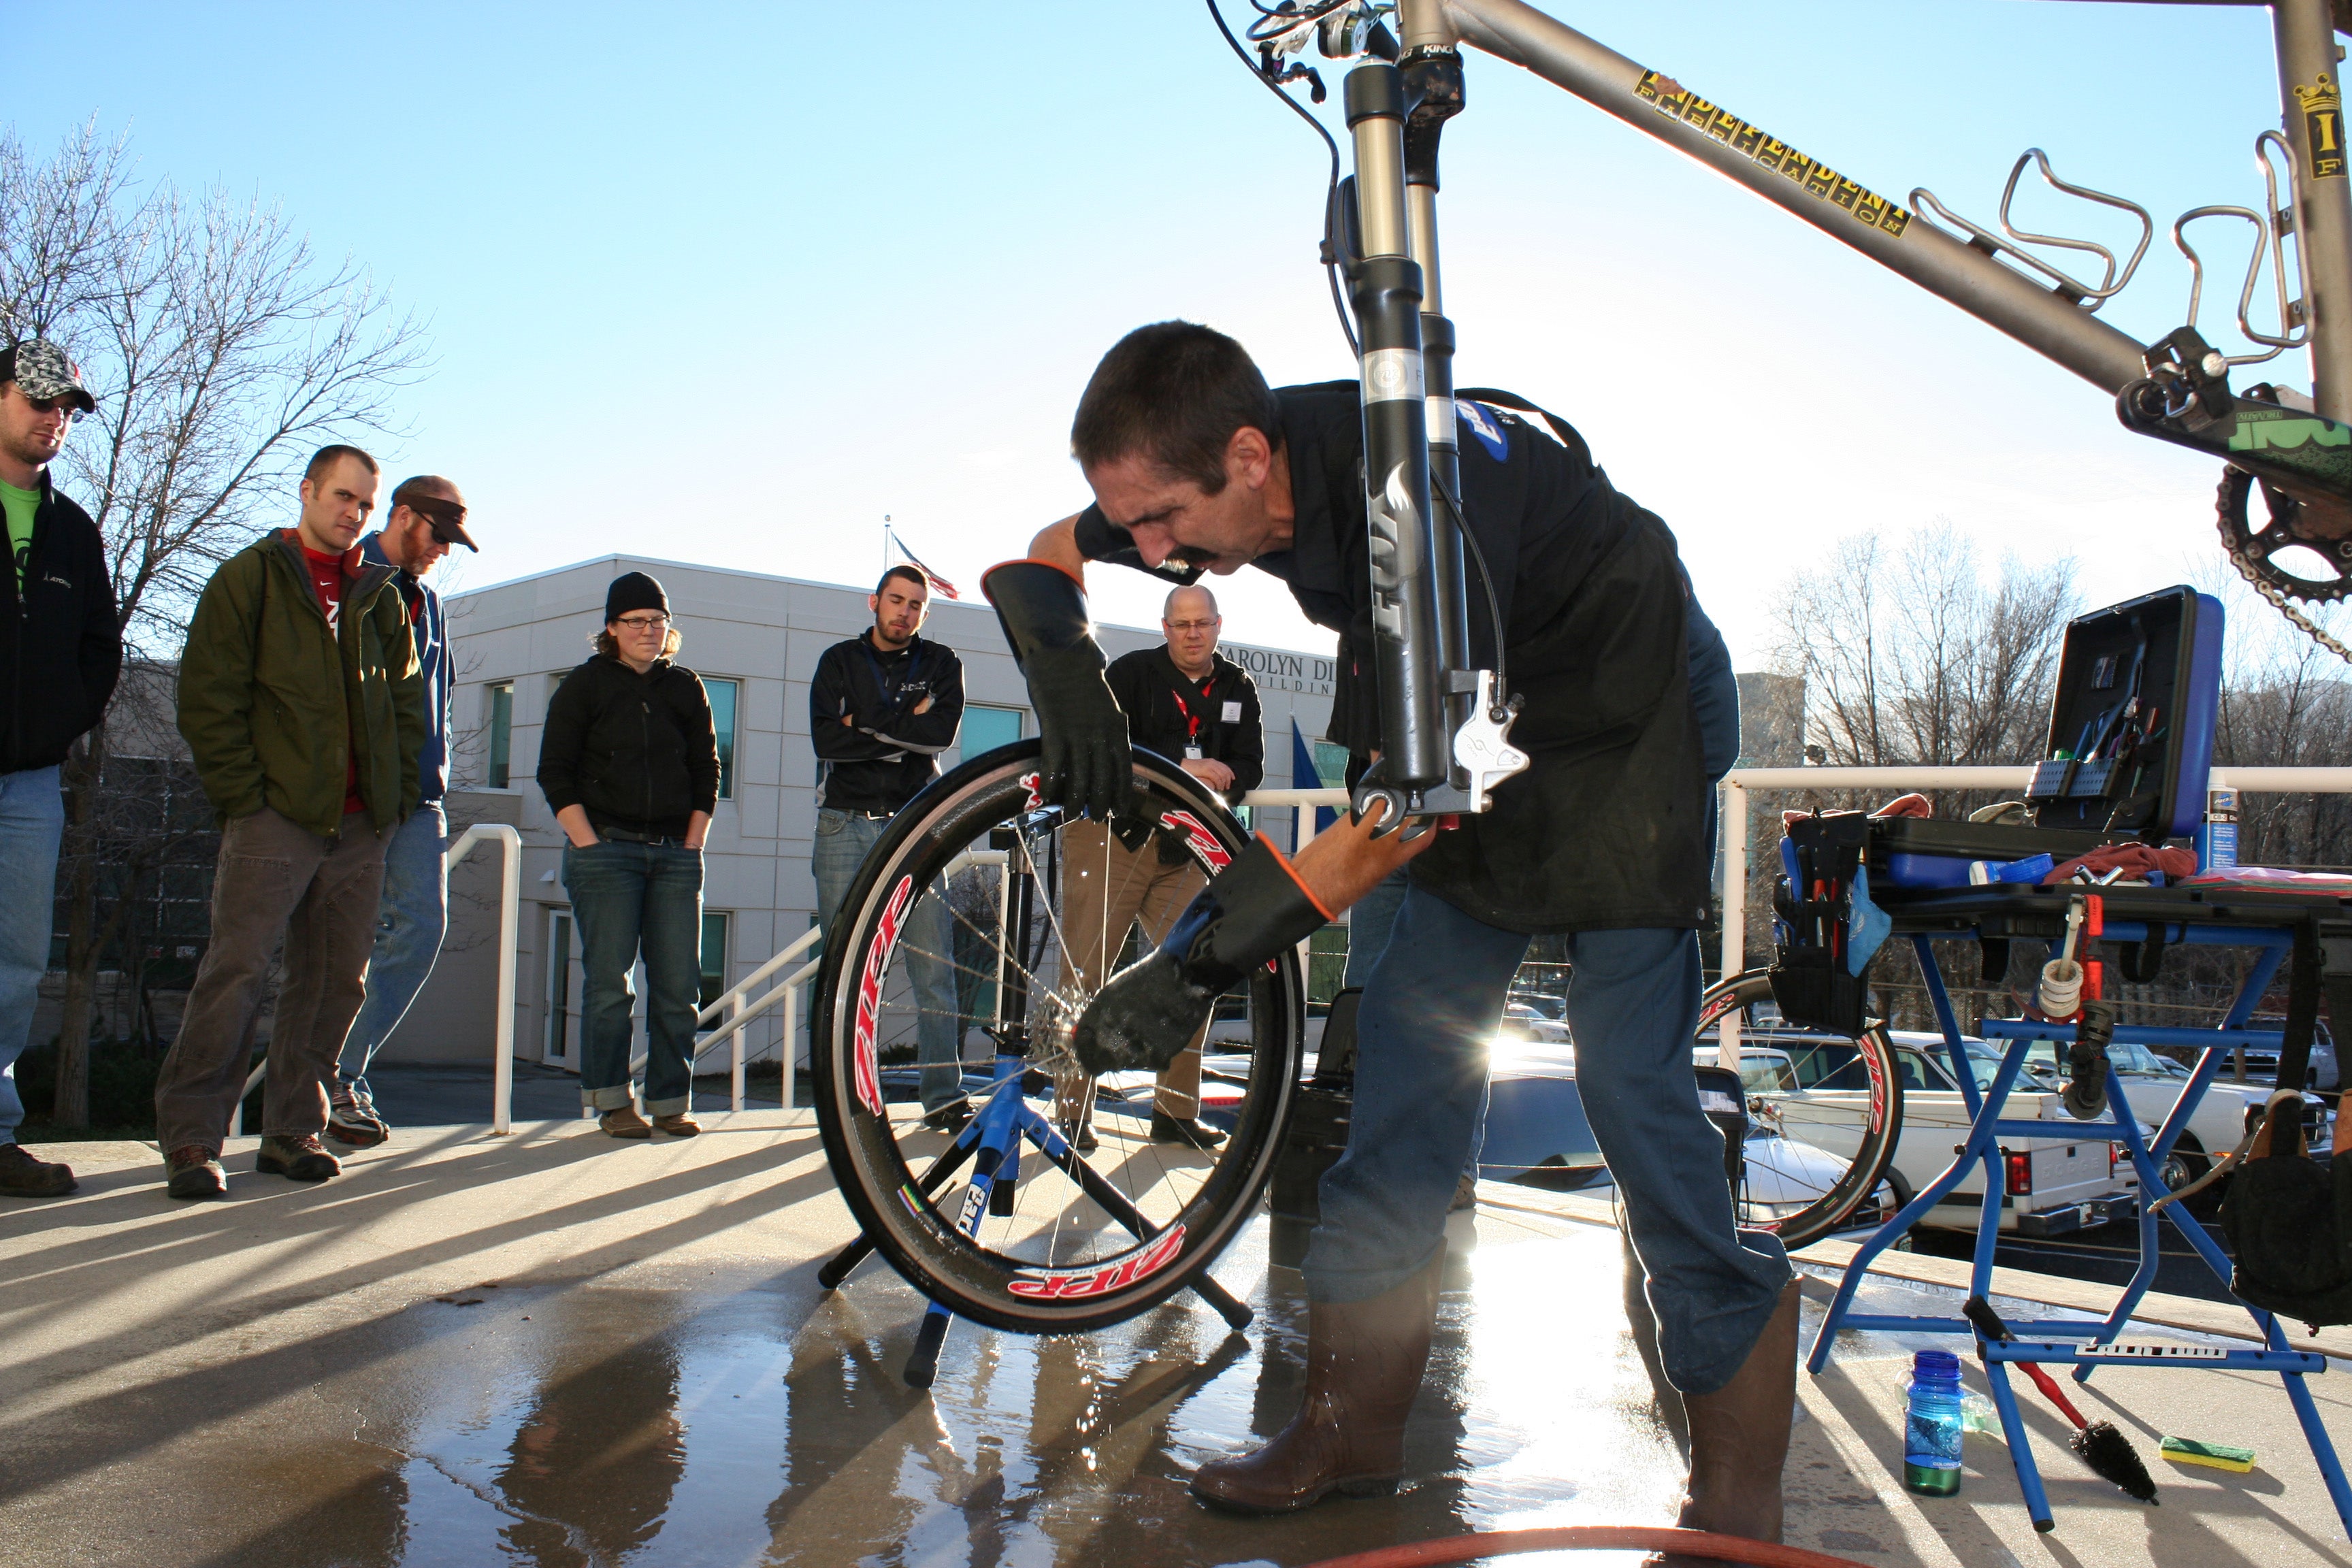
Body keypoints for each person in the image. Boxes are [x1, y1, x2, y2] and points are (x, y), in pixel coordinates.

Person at [983, 322, 1786, 1558]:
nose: (1152, 556)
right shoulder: (1213, 471)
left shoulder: (1422, 521)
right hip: (1471, 711)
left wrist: (1199, 958)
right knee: (1407, 1068)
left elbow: (1404, 819)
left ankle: (1734, 1471)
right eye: (1132, 527)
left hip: (1634, 710)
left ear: (1249, 459)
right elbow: (1049, 547)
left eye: (1162, 522)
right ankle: (1346, 1431)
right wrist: (1064, 657)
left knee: (1628, 1080)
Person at [157, 444, 423, 1198]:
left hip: (359, 824)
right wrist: (247, 794)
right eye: (342, 496)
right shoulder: (251, 578)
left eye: (365, 505)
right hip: (274, 816)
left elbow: (406, 706)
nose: (352, 513)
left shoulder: (378, 593)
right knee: (235, 974)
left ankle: (290, 1133)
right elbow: (209, 696)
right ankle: (191, 1139)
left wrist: (391, 799)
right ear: (307, 492)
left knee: (334, 982)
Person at [1057, 582, 1261, 1152]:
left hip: (1185, 848)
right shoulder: (1129, 675)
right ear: (1165, 627)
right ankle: (1071, 1114)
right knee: (1084, 971)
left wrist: (1225, 774)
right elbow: (1108, 748)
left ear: (1218, 625)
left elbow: (1249, 767)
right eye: (1182, 624)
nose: (1193, 634)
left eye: (1203, 624)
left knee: (1194, 974)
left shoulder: (1238, 686)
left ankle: (1175, 1113)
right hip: (1113, 836)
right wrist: (1186, 769)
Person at [537, 572, 719, 1139]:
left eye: (658, 622)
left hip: (674, 857)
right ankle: (613, 1102)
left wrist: (693, 843)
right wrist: (587, 842)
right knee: (611, 985)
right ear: (611, 629)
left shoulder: (685, 687)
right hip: (605, 853)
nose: (648, 631)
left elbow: (707, 771)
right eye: (636, 622)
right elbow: (555, 774)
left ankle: (671, 1101)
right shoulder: (583, 687)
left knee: (678, 986)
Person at [0, 341, 118, 1198]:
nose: (55, 419)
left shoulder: (75, 531)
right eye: (40, 400)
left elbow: (100, 650)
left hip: (33, 784)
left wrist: (57, 724)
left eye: (69, 408)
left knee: (13, 962)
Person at [326, 476, 477, 1146]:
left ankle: (341, 1071)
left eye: (451, 541)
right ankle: (314, 1084)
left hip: (419, 802)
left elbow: (437, 700)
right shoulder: (350, 578)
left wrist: (436, 774)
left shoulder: (431, 604)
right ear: (404, 516)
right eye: (437, 535)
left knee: (419, 929)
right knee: (333, 943)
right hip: (350, 797)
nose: (442, 550)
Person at [808, 564, 968, 1128]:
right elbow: (828, 739)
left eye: (916, 605)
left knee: (933, 971)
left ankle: (944, 1098)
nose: (904, 612)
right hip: (844, 826)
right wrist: (905, 722)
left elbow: (940, 736)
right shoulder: (838, 663)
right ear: (874, 602)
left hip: (915, 827)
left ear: (926, 612)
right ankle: (845, 1098)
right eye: (896, 600)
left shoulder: (942, 664)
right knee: (843, 970)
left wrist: (865, 722)